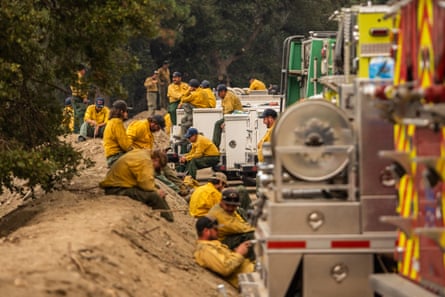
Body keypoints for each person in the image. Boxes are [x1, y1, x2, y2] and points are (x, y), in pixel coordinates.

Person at [99, 149, 174, 222]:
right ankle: (169, 219)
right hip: (117, 189)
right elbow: (146, 184)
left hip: (117, 184)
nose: (156, 168)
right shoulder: (146, 161)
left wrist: (156, 189)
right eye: (158, 166)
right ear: (156, 160)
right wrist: (157, 191)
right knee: (155, 196)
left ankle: (167, 214)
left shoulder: (141, 153)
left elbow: (144, 180)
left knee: (156, 188)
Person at [194, 216, 254, 289]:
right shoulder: (205, 250)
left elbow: (226, 259)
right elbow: (225, 268)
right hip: (251, 278)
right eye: (215, 229)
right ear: (206, 231)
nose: (218, 232)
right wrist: (239, 253)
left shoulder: (212, 245)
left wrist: (235, 252)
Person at [207, 188, 255, 260]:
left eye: (233, 206)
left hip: (229, 233)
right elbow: (244, 228)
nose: (230, 208)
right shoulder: (221, 217)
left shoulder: (220, 207)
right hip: (221, 242)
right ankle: (252, 260)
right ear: (221, 202)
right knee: (252, 235)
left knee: (241, 211)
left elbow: (239, 219)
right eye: (228, 205)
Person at [212, 84, 243, 149]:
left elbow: (229, 110)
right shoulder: (227, 95)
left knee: (218, 124)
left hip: (235, 114)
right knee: (218, 123)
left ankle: (215, 145)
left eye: (219, 93)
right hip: (234, 114)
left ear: (223, 91)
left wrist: (225, 122)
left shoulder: (227, 97)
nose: (218, 95)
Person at [103, 100, 133, 167]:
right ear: (121, 111)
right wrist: (134, 151)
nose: (127, 113)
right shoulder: (117, 122)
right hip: (116, 157)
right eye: (126, 111)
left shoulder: (111, 122)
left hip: (111, 156)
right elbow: (125, 145)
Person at [70, 64, 90, 133]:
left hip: (73, 96)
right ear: (81, 70)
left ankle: (75, 130)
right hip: (79, 97)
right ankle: (82, 130)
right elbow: (81, 88)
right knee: (81, 113)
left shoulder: (73, 77)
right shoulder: (80, 77)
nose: (85, 72)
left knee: (76, 113)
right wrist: (84, 97)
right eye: (84, 70)